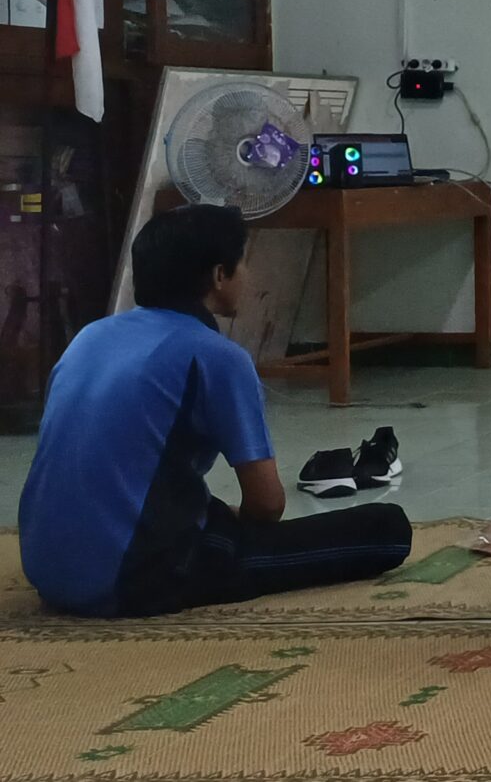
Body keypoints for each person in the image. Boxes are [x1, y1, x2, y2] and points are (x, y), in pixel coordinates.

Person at [16, 205, 412, 617]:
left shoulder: (90, 336)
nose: (248, 275)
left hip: (46, 568)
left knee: (202, 511)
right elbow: (267, 505)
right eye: (243, 262)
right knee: (386, 529)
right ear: (220, 276)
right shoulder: (215, 356)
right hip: (133, 578)